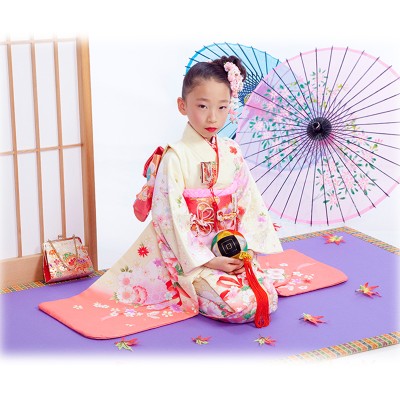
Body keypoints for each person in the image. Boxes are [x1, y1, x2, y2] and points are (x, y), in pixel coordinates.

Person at [39, 55, 283, 339]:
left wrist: (245, 250)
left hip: (229, 250)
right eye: (202, 106)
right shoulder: (175, 157)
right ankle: (196, 284)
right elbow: (171, 219)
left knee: (268, 297)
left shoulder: (231, 151)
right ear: (183, 105)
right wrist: (208, 260)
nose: (212, 117)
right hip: (192, 257)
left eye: (222, 107)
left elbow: (248, 202)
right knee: (239, 306)